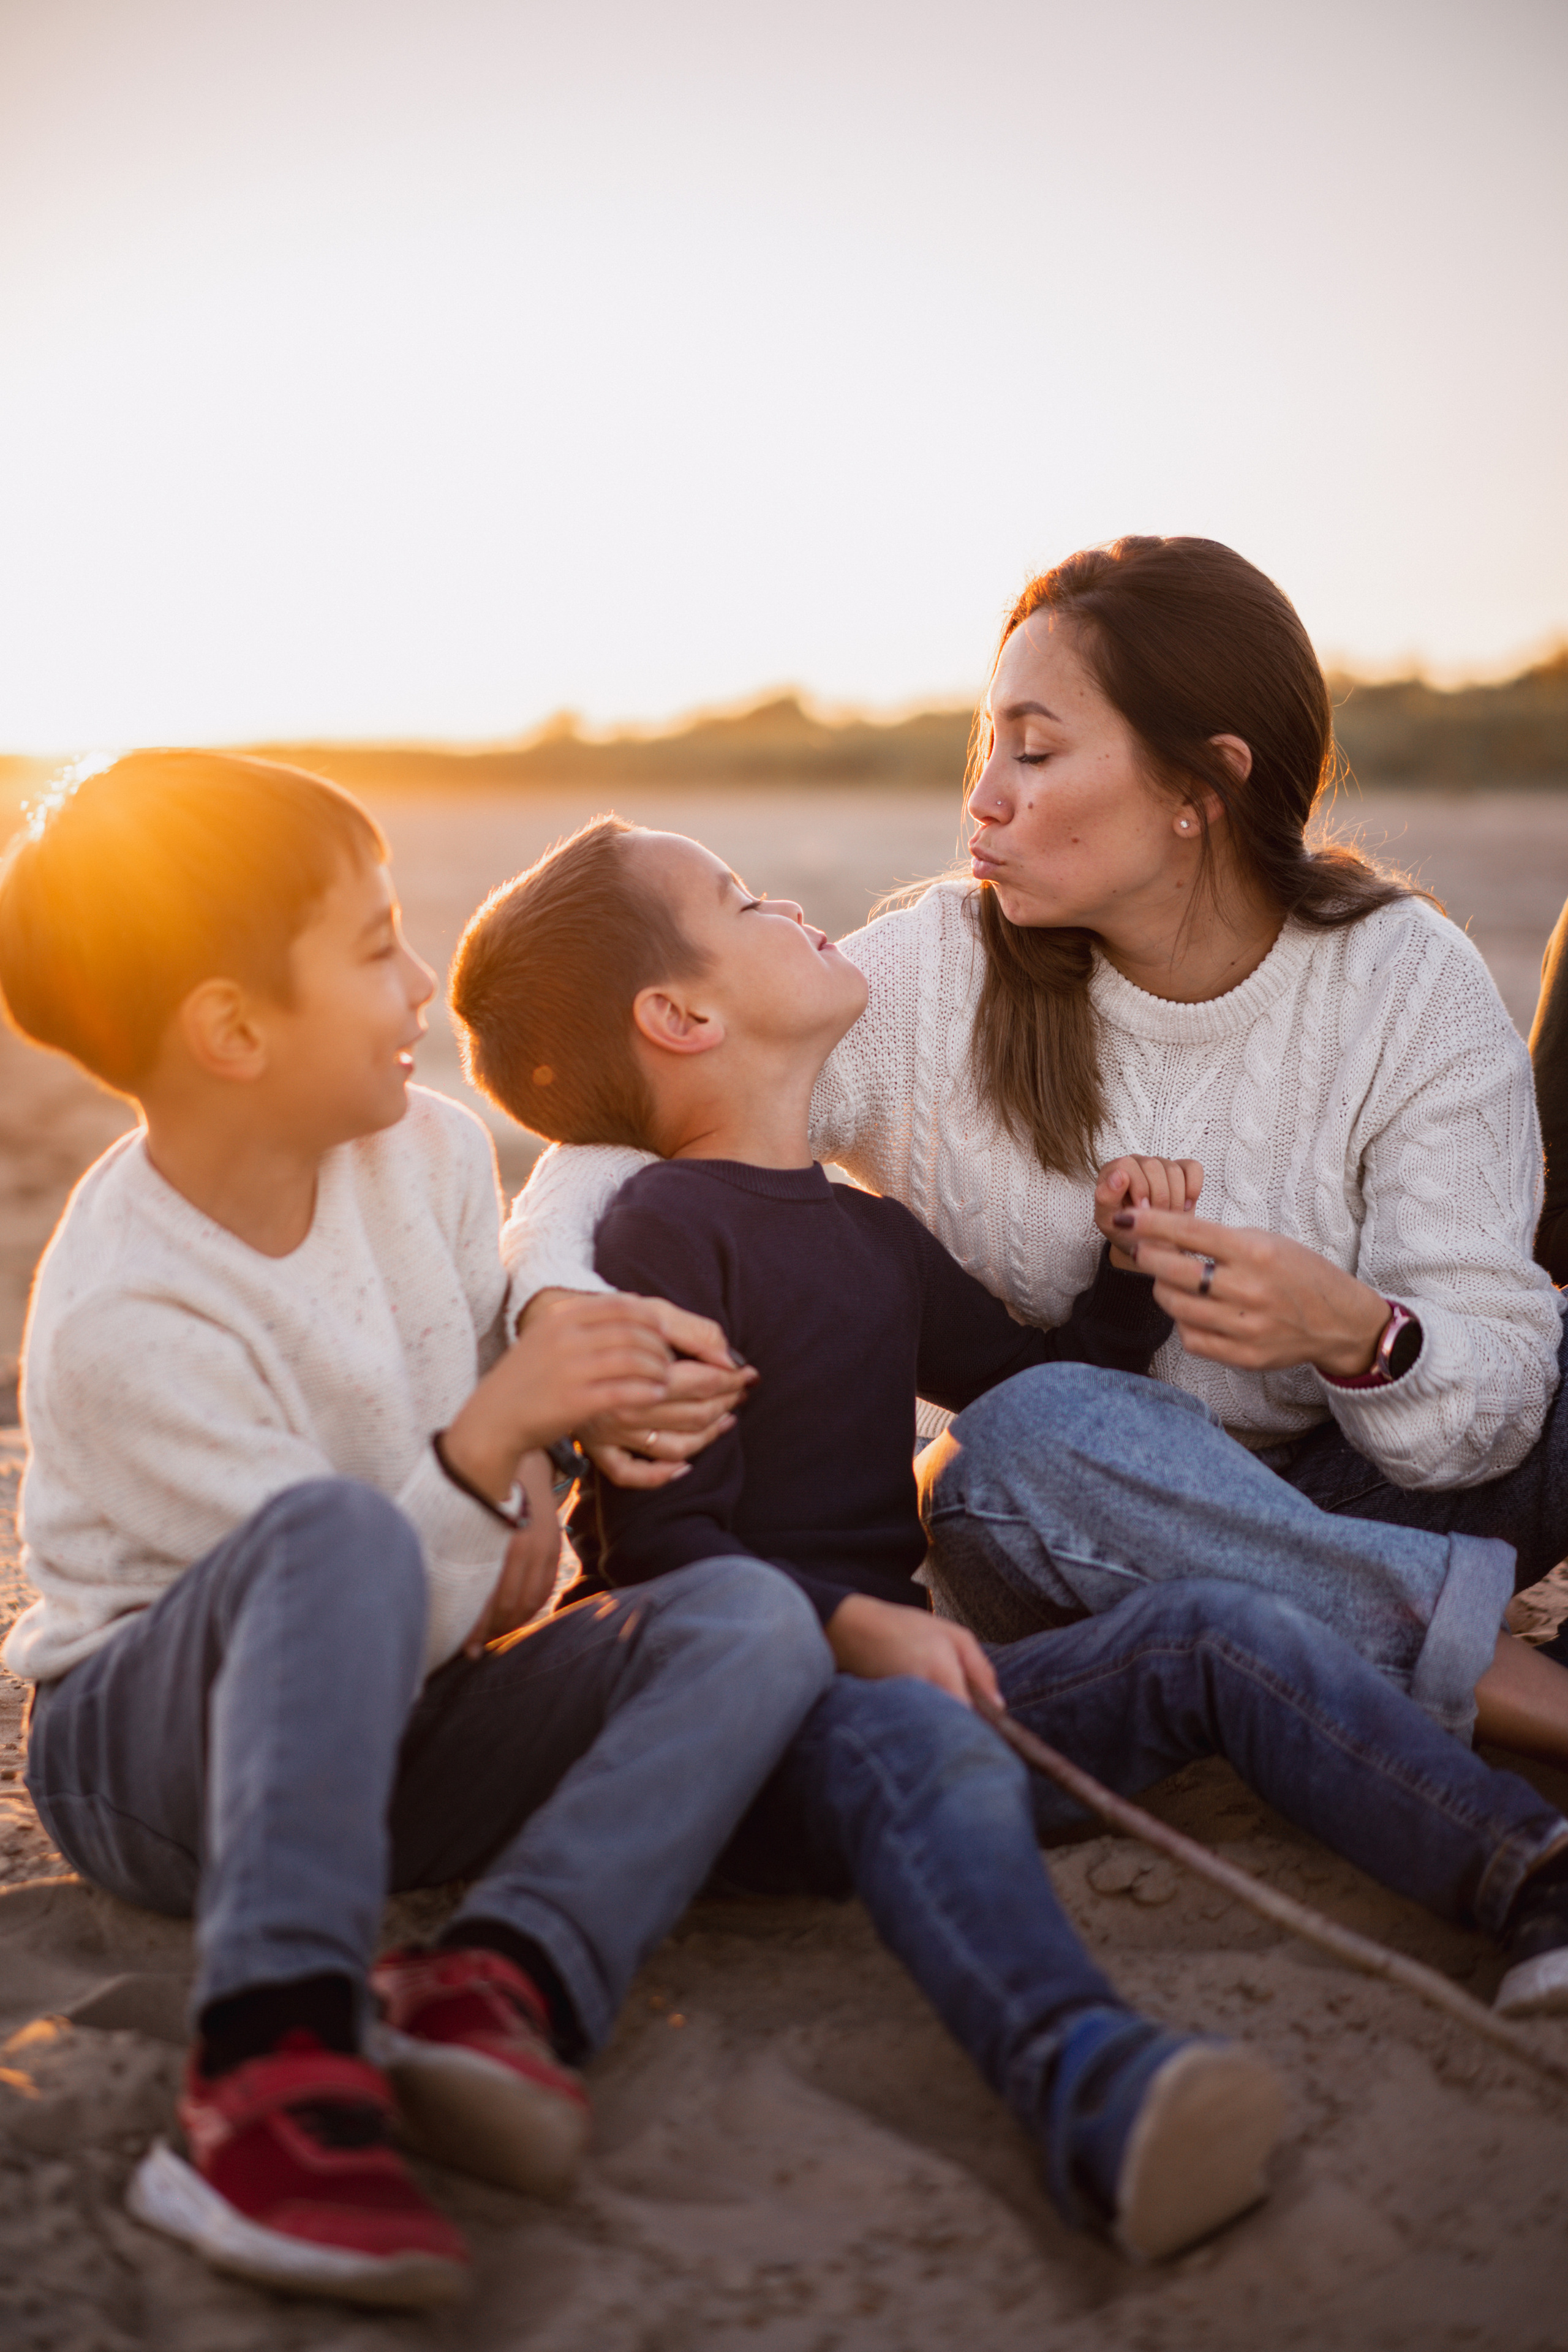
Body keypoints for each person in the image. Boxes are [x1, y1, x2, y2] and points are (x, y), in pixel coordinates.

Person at [449, 813, 1568, 2261]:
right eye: (738, 898)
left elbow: (1030, 1380)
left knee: (1211, 1635)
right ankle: (1091, 2092)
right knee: (903, 1743)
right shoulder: (662, 1239)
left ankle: (1528, 1877)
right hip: (753, 1738)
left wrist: (1123, 1264)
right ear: (680, 1016)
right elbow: (665, 1564)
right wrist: (857, 1627)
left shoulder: (862, 1236)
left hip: (906, 1682)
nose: (787, 898)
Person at [0, 752, 835, 2310]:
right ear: (234, 1032)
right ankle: (265, 2079)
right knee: (339, 1541)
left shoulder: (432, 1150)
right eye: (375, 946)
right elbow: (362, 1583)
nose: (415, 981)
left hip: (407, 1706)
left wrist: (566, 1399)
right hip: (163, 1760)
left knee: (750, 1618)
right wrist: (486, 1452)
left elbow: (486, 1384)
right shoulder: (131, 1309)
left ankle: (496, 1977)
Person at [503, 537, 1568, 1749]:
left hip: (1382, 1502)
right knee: (1013, 1443)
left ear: (1201, 789)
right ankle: (1498, 1687)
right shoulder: (933, 972)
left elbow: (1498, 1389)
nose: (984, 799)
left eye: (1037, 750)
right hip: (1079, 1531)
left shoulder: (1401, 980)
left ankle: (1374, 1639)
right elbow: (627, 1129)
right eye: (987, 745)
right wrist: (551, 1293)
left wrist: (1357, 1335)